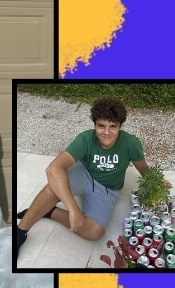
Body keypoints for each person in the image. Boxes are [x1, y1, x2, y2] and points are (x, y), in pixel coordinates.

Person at [14, 97, 165, 251]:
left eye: (113, 126)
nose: (107, 132)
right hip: (84, 173)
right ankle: (20, 232)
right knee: (53, 186)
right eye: (101, 126)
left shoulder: (131, 143)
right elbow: (53, 169)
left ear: (121, 126)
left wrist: (157, 181)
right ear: (94, 124)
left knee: (94, 232)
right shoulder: (85, 139)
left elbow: (142, 168)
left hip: (108, 188)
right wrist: (73, 209)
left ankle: (49, 211)